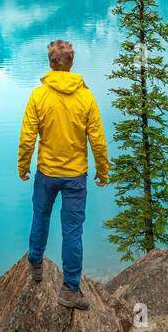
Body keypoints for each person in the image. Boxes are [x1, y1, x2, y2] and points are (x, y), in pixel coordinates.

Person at [18, 39, 108, 309]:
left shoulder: (38, 95)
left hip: (46, 172)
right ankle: (70, 288)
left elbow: (27, 138)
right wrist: (103, 169)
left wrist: (23, 166)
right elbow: (98, 140)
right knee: (72, 231)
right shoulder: (86, 96)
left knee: (40, 216)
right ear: (71, 64)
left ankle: (35, 263)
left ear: (51, 63)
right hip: (75, 176)